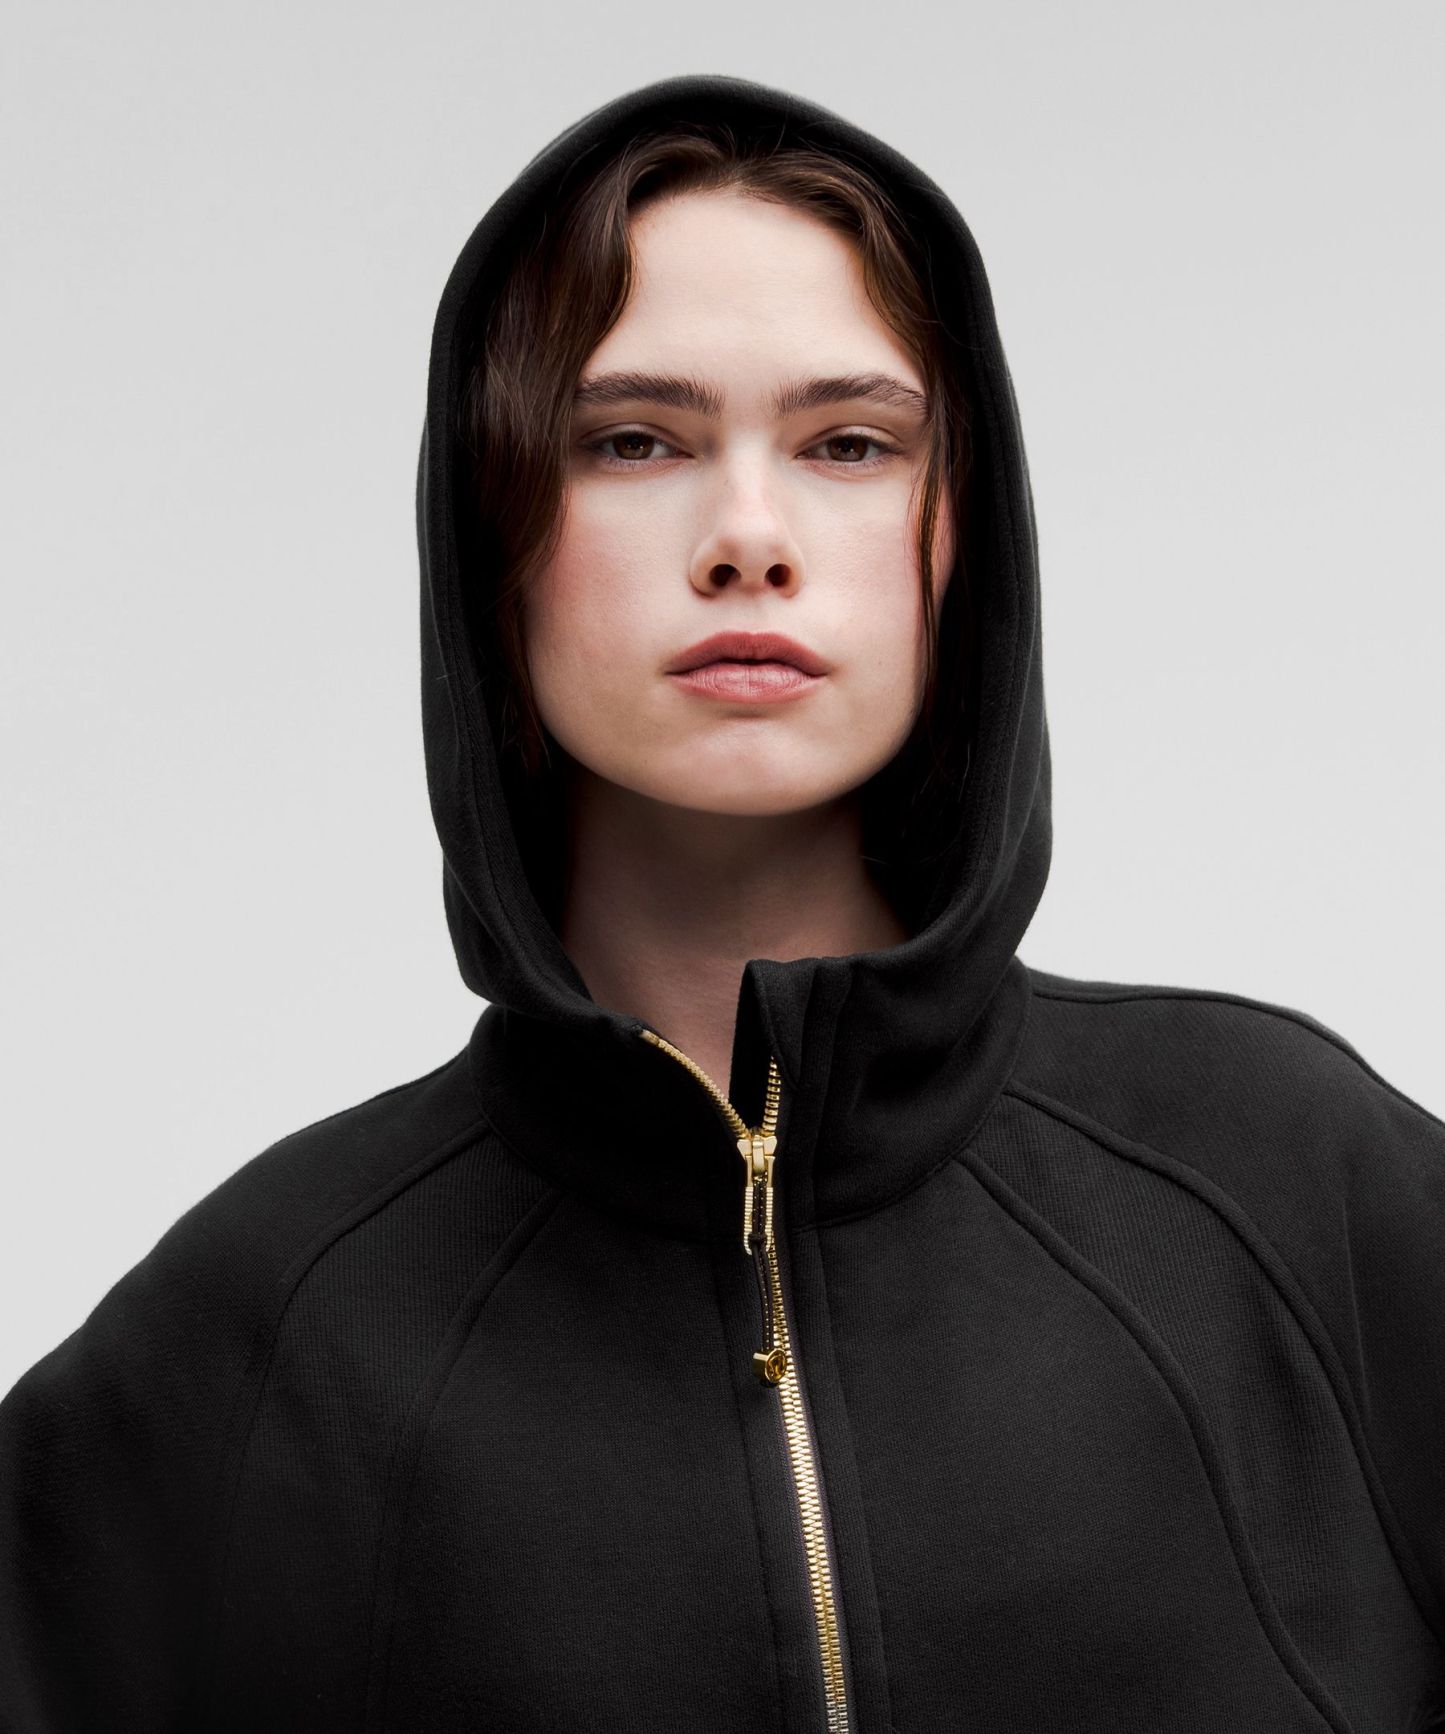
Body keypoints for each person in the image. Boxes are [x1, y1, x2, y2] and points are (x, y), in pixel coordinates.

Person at [2, 71, 1442, 1734]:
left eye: (848, 443)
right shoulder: (267, 1336)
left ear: (954, 532)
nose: (747, 536)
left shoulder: (1284, 1189)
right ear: (492, 532)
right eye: (632, 440)